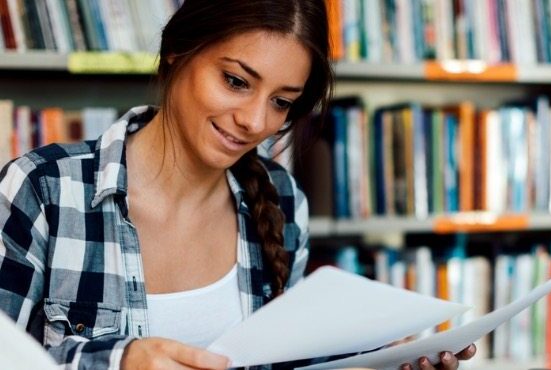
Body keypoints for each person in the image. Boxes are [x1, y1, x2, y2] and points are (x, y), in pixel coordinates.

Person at [0, 1, 476, 369]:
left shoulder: (283, 200)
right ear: (177, 51)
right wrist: (119, 361)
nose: (254, 122)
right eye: (235, 80)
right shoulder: (43, 191)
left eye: (281, 102)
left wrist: (382, 362)